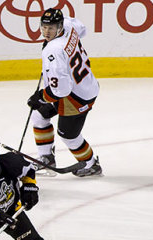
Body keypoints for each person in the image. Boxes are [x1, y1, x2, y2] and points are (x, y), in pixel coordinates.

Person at [26, 8, 101, 177]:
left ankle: (91, 165)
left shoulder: (53, 50)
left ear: (59, 26)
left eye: (51, 28)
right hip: (82, 84)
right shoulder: (68, 25)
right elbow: (82, 28)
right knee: (39, 116)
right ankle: (46, 158)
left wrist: (42, 97)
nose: (46, 31)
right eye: (44, 27)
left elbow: (62, 89)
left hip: (77, 97)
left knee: (68, 135)